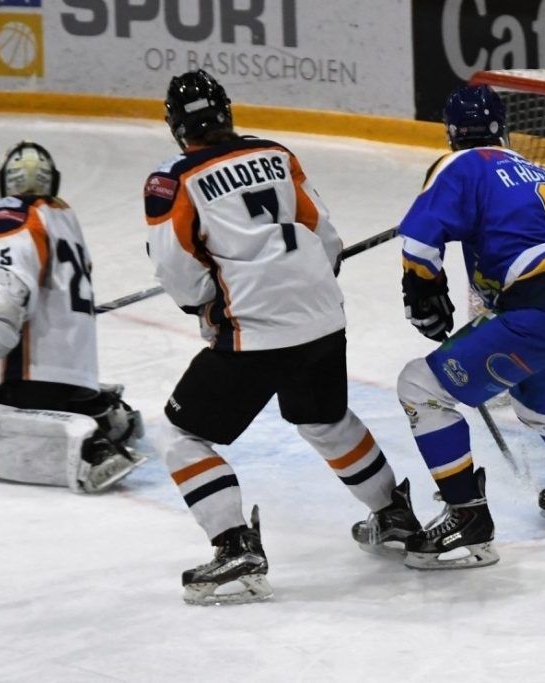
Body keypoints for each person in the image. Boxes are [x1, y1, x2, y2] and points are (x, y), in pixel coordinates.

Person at [144, 70, 421, 605]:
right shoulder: (276, 153)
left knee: (179, 435)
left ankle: (233, 547)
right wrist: (304, 287)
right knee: (323, 418)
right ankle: (393, 515)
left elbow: (178, 271)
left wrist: (207, 304)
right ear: (226, 111)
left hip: (256, 327)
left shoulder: (172, 180)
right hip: (322, 316)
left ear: (176, 126)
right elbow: (328, 238)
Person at [396, 84, 545, 570]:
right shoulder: (531, 169)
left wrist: (423, 293)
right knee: (541, 409)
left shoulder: (459, 164)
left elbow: (418, 242)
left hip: (542, 302)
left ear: (451, 133)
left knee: (421, 388)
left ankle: (467, 518)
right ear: (503, 127)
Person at [0, 141, 145, 493]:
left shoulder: (6, 215)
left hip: (26, 377)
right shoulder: (64, 216)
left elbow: (6, 288)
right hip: (78, 376)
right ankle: (100, 411)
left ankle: (89, 448)